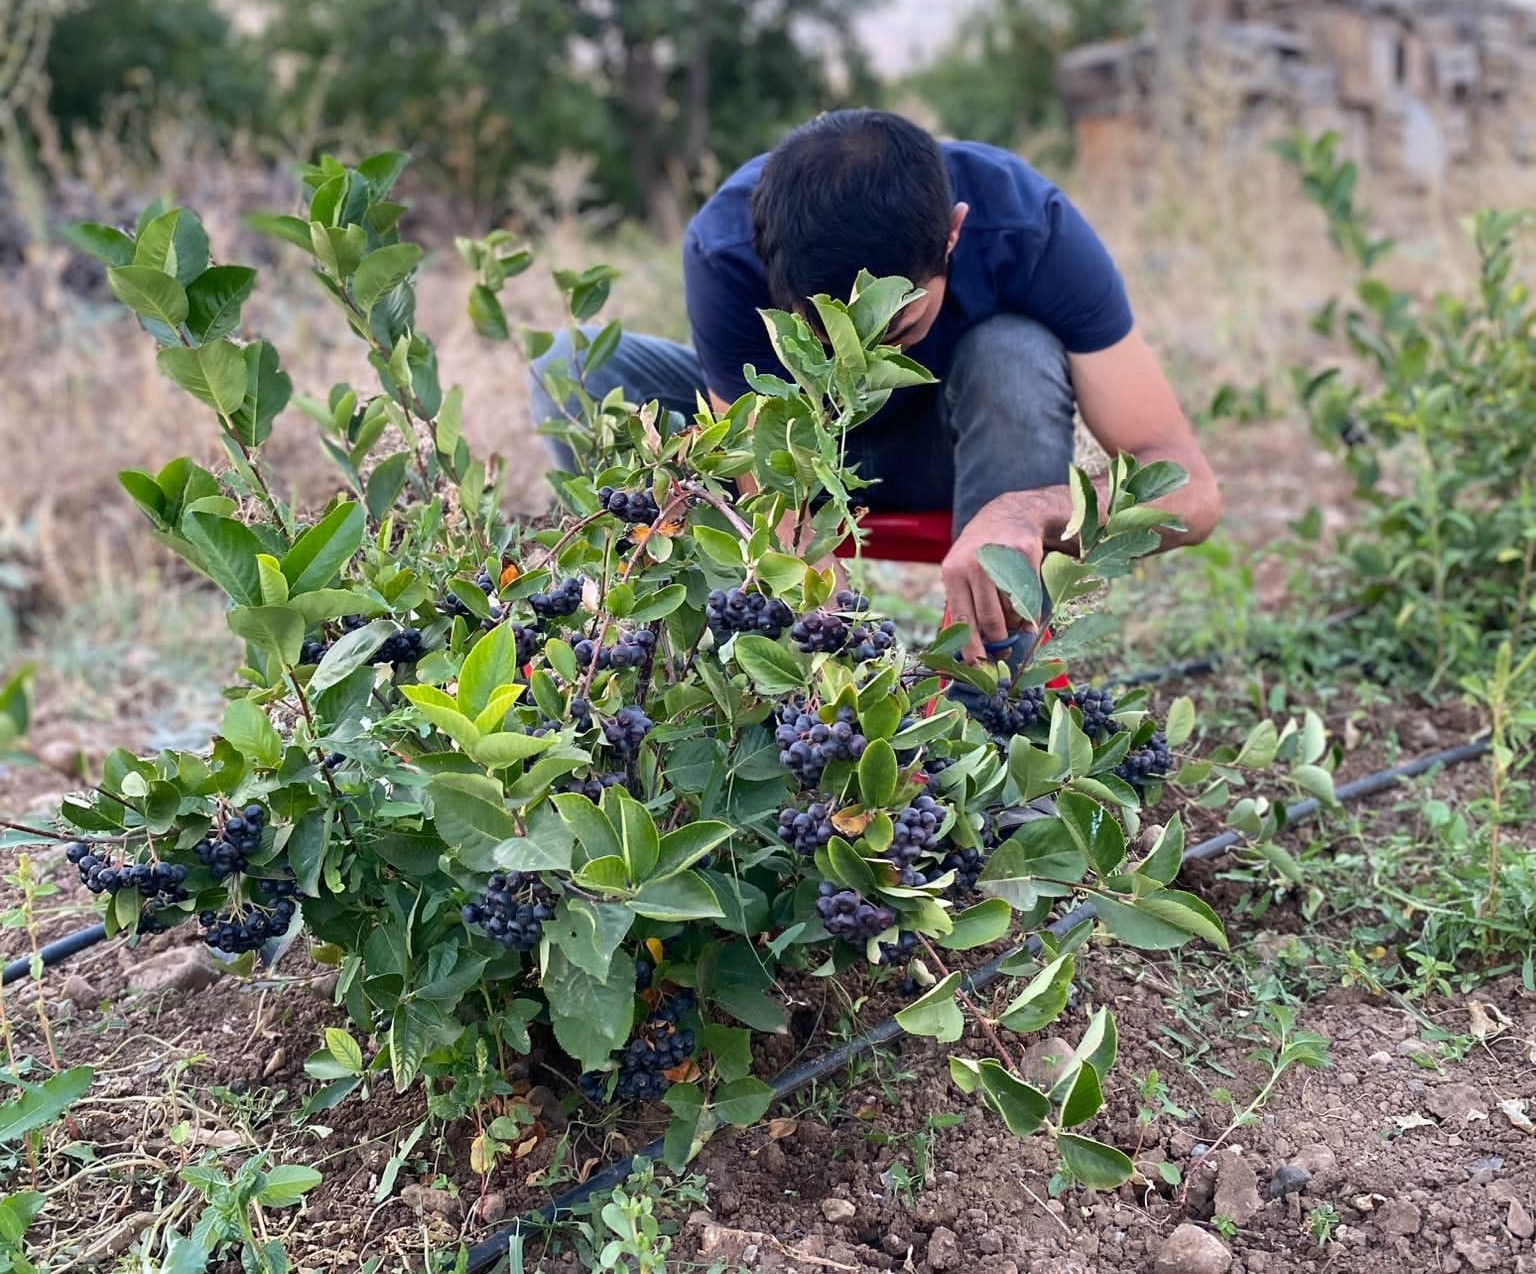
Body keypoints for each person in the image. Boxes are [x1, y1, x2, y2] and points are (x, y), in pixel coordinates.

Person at [530, 108, 1219, 666]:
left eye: (898, 325)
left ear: (953, 235)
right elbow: (779, 512)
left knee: (1015, 348)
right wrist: (850, 669)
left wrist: (1027, 511)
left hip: (953, 461)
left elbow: (1190, 491)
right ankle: (682, 654)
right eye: (828, 335)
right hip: (798, 465)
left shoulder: (1027, 224)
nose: (861, 358)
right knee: (573, 364)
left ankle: (995, 685)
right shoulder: (728, 247)